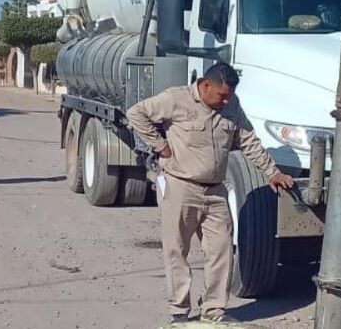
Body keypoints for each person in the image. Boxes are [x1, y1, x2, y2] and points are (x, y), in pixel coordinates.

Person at [126, 63, 295, 324]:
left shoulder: (232, 105)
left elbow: (248, 140)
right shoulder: (175, 99)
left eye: (230, 95)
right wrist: (161, 147)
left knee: (221, 251)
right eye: (221, 95)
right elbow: (136, 113)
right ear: (205, 85)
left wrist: (272, 172)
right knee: (176, 251)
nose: (226, 100)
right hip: (181, 186)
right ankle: (179, 312)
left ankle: (213, 311)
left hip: (216, 192)